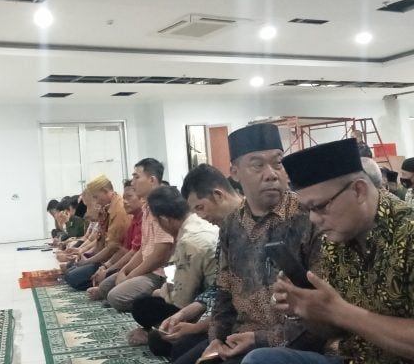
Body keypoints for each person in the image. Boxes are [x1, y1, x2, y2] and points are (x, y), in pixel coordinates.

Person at [243, 138, 414, 364]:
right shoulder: (335, 241)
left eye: (320, 206)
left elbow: (342, 316)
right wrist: (304, 309)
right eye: (308, 209)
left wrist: (340, 312)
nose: (314, 219)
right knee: (261, 359)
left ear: (359, 191)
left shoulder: (408, 233)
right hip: (353, 358)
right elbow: (335, 332)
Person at [199, 123, 322, 364]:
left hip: (293, 342)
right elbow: (224, 290)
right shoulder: (232, 224)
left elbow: (322, 309)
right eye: (257, 165)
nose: (271, 174)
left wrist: (260, 339)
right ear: (235, 173)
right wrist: (216, 338)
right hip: (240, 336)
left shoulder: (310, 217)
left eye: (278, 163)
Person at [149, 164, 243, 363]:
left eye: (200, 208)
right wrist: (184, 316)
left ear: (218, 195)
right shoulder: (227, 230)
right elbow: (220, 288)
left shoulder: (262, 227)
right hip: (224, 318)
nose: (201, 216)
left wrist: (198, 327)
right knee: (173, 345)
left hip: (249, 328)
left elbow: (248, 305)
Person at [128, 186, 219, 352]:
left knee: (144, 311)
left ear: (164, 219)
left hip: (212, 308)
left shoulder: (190, 240)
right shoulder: (198, 224)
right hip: (207, 299)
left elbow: (182, 299)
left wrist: (162, 293)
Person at [102, 158, 174, 319]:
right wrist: (124, 270)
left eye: (136, 177)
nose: (133, 182)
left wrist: (130, 276)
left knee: (115, 297)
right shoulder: (147, 207)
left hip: (161, 273)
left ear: (152, 180)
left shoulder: (162, 207)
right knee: (106, 286)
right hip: (148, 267)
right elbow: (143, 249)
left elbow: (160, 254)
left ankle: (158, 300)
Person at [63, 175, 130, 290]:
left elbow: (113, 248)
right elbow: (99, 241)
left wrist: (89, 261)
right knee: (70, 271)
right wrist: (83, 253)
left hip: (114, 260)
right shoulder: (107, 208)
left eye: (96, 197)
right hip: (105, 258)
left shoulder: (119, 210)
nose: (97, 201)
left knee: (72, 277)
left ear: (105, 191)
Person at [88, 180, 143, 298]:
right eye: (124, 198)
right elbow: (126, 249)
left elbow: (116, 247)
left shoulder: (119, 210)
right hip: (120, 261)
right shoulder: (133, 217)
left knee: (109, 291)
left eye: (129, 197)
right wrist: (106, 267)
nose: (125, 202)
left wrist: (111, 270)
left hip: (146, 267)